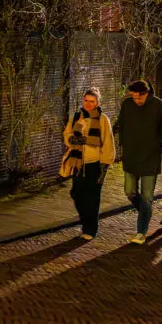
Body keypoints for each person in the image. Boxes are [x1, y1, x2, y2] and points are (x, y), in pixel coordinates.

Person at [115, 79, 162, 245]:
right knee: (129, 191)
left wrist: (156, 146)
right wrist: (122, 142)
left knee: (147, 197)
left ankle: (141, 231)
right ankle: (145, 212)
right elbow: (121, 124)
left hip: (150, 159)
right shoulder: (127, 105)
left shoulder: (160, 107)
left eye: (139, 98)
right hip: (131, 157)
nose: (136, 101)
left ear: (146, 94)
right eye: (133, 97)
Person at [61, 88, 115, 240]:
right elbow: (67, 136)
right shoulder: (76, 117)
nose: (88, 104)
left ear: (97, 103)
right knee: (76, 194)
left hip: (94, 164)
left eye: (92, 101)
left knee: (92, 197)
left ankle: (90, 229)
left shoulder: (103, 119)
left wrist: (105, 165)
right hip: (78, 163)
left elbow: (107, 142)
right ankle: (86, 221)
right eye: (86, 100)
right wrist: (83, 140)